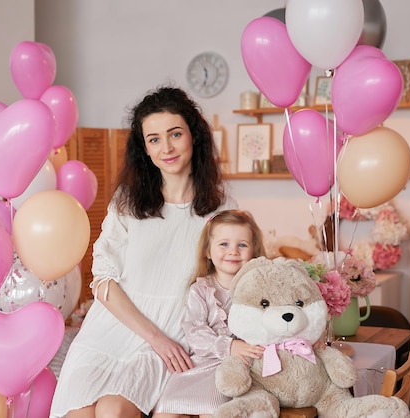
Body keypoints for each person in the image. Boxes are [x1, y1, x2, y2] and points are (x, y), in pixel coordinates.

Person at [50, 86, 237, 418]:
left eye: (175, 134)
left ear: (193, 136)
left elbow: (231, 282)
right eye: (153, 139)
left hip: (173, 333)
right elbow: (104, 280)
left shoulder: (220, 209)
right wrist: (153, 336)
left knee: (113, 411)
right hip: (111, 331)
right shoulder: (127, 202)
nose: (166, 147)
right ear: (144, 149)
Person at [153, 209, 267, 418]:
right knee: (165, 413)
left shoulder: (257, 289)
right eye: (224, 244)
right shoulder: (201, 289)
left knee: (212, 412)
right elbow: (194, 330)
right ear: (208, 250)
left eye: (242, 245)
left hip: (232, 367)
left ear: (254, 251)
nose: (233, 251)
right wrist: (228, 345)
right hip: (198, 365)